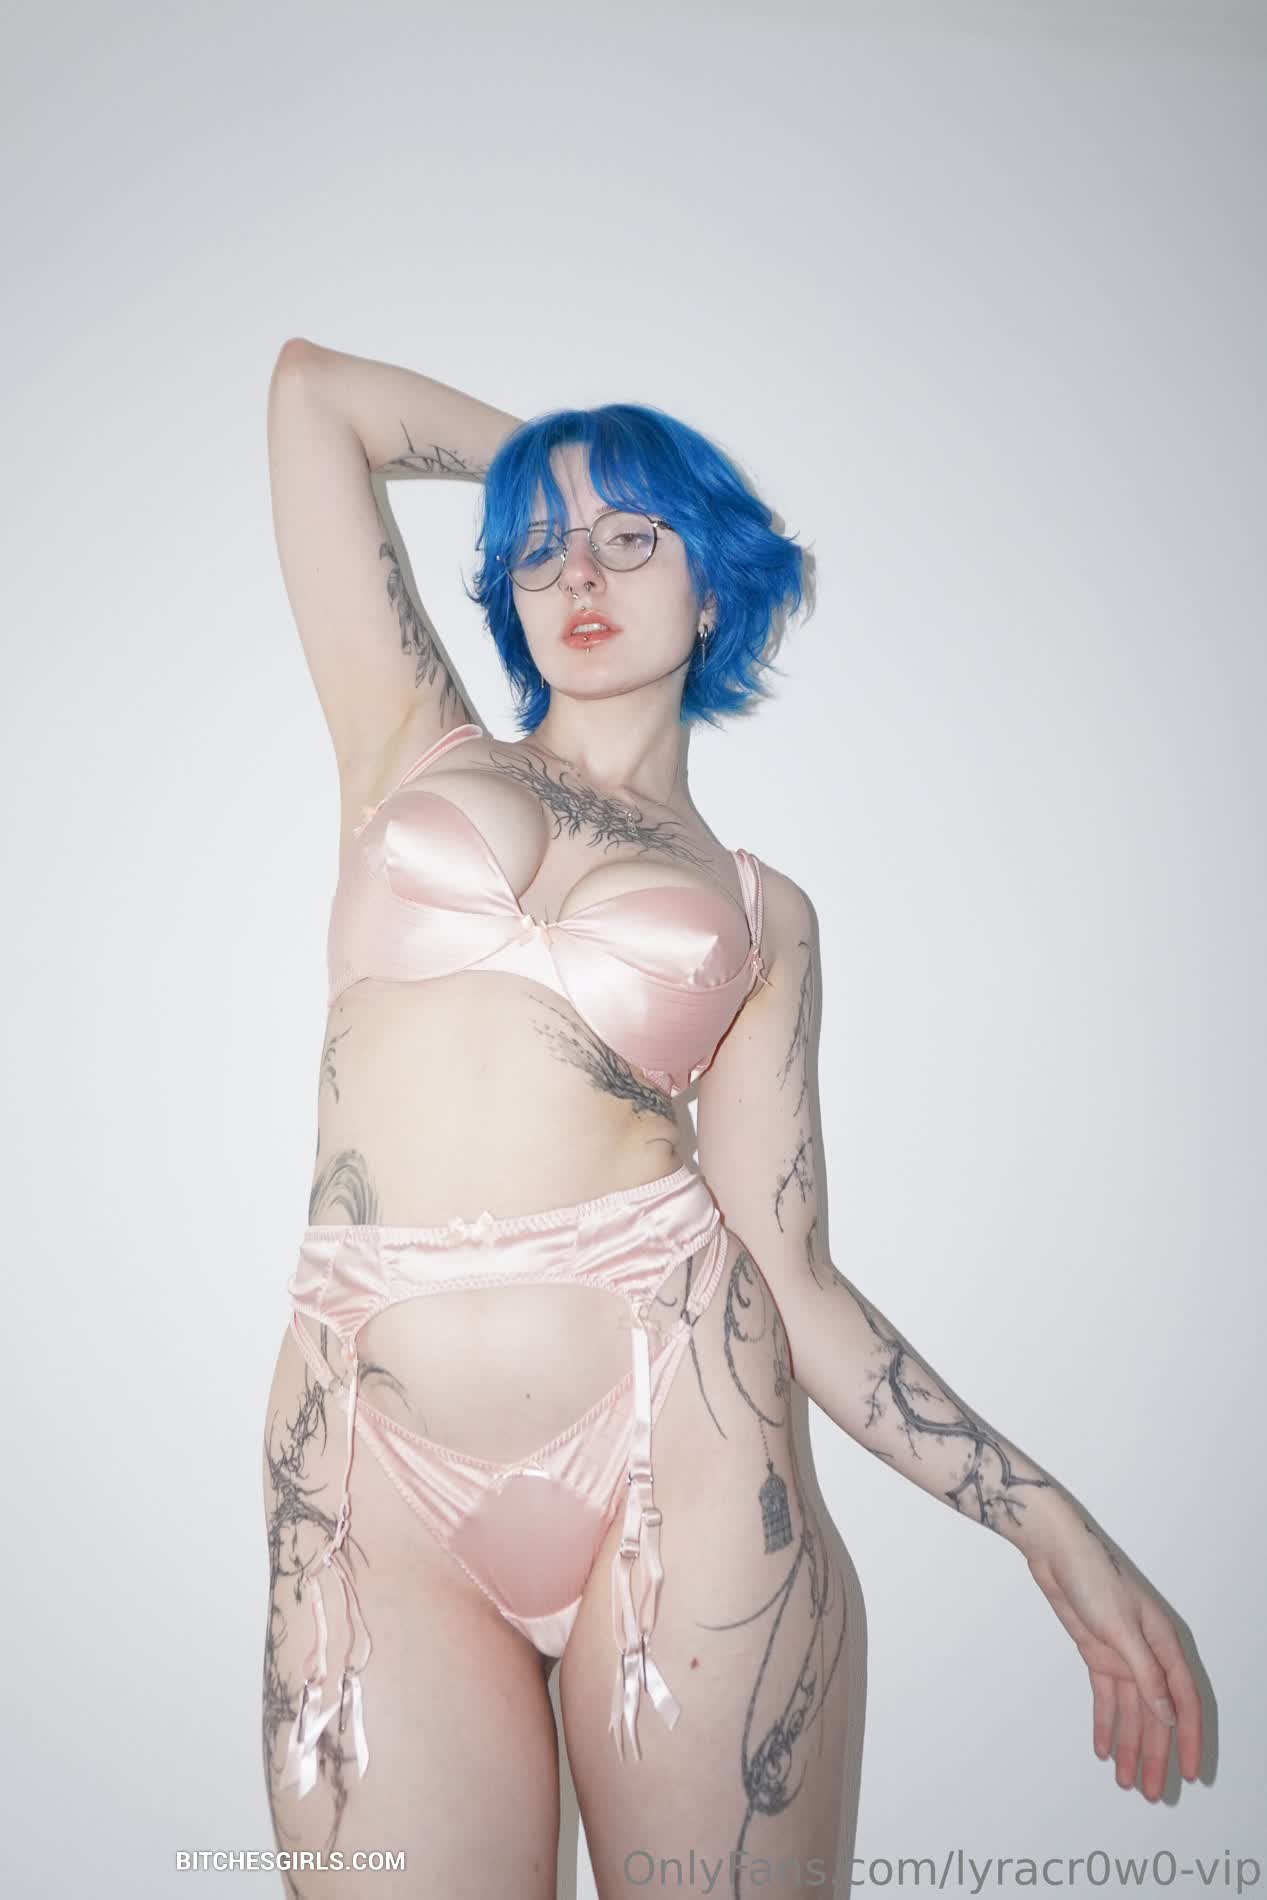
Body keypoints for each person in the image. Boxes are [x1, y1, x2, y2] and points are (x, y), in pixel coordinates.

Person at [259, 339, 1202, 1897]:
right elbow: (313, 400)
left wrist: (1050, 1526)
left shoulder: (766, 917)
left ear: (715, 592)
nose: (582, 570)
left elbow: (795, 1272)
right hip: (367, 1470)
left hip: (680, 1455)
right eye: (544, 545)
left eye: (637, 539)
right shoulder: (410, 741)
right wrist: (564, 467)